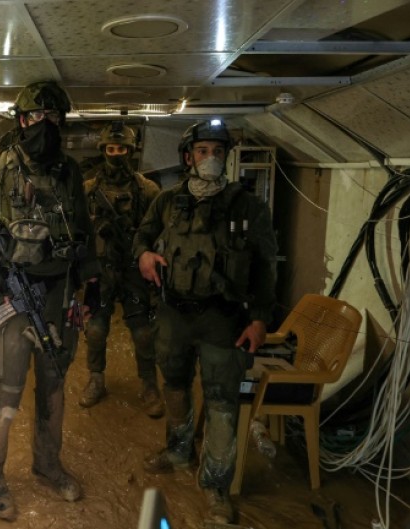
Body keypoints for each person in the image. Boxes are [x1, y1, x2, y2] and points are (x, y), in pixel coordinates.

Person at [0, 81, 99, 521]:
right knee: (6, 387)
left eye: (54, 119)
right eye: (38, 117)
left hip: (59, 295)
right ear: (21, 121)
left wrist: (91, 283)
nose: (46, 126)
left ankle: (48, 464)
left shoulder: (69, 173)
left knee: (54, 386)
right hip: (17, 297)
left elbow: (83, 231)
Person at [132, 120, 277, 524]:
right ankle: (179, 450)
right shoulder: (166, 201)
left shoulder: (249, 207)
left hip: (223, 318)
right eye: (202, 151)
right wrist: (144, 255)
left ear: (226, 156)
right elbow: (141, 239)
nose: (210, 158)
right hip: (174, 315)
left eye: (217, 151)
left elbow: (266, 267)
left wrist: (261, 319)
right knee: (174, 386)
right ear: (188, 156)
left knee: (221, 402)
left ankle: (215, 485)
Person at [79, 122, 163, 418]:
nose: (116, 155)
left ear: (131, 151)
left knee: (142, 332)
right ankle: (96, 379)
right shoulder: (89, 190)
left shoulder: (147, 189)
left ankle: (149, 385)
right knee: (96, 329)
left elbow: (159, 234)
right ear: (103, 151)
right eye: (111, 149)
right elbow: (79, 234)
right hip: (100, 271)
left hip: (133, 271)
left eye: (122, 149)